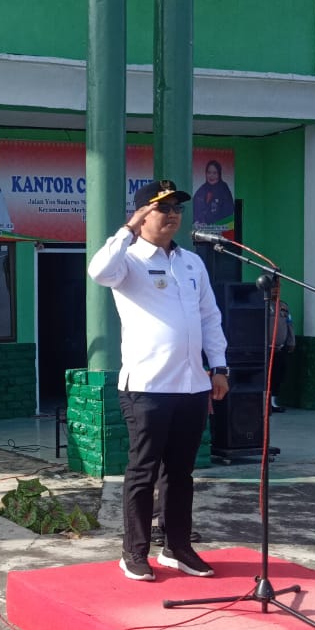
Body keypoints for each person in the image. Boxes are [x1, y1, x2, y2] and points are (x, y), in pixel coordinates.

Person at [88, 179, 229, 581]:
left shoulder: (192, 263)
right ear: (141, 214)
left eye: (177, 208)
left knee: (181, 473)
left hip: (192, 385)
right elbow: (97, 271)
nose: (172, 215)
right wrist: (128, 228)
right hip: (147, 386)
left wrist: (219, 367)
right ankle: (134, 552)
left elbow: (209, 317)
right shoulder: (127, 259)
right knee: (143, 470)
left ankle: (177, 548)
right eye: (162, 207)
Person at [267, 291, 295, 413]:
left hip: (281, 348)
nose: (276, 291)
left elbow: (289, 324)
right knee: (266, 376)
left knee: (278, 375)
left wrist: (291, 341)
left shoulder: (283, 306)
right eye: (273, 287)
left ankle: (273, 402)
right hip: (266, 348)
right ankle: (265, 402)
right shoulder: (263, 304)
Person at [192, 159, 235, 226]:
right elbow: (193, 210)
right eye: (209, 173)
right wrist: (197, 222)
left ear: (219, 174)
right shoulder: (202, 189)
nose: (211, 176)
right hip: (202, 231)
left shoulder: (224, 188)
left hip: (219, 230)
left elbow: (229, 212)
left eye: (215, 173)